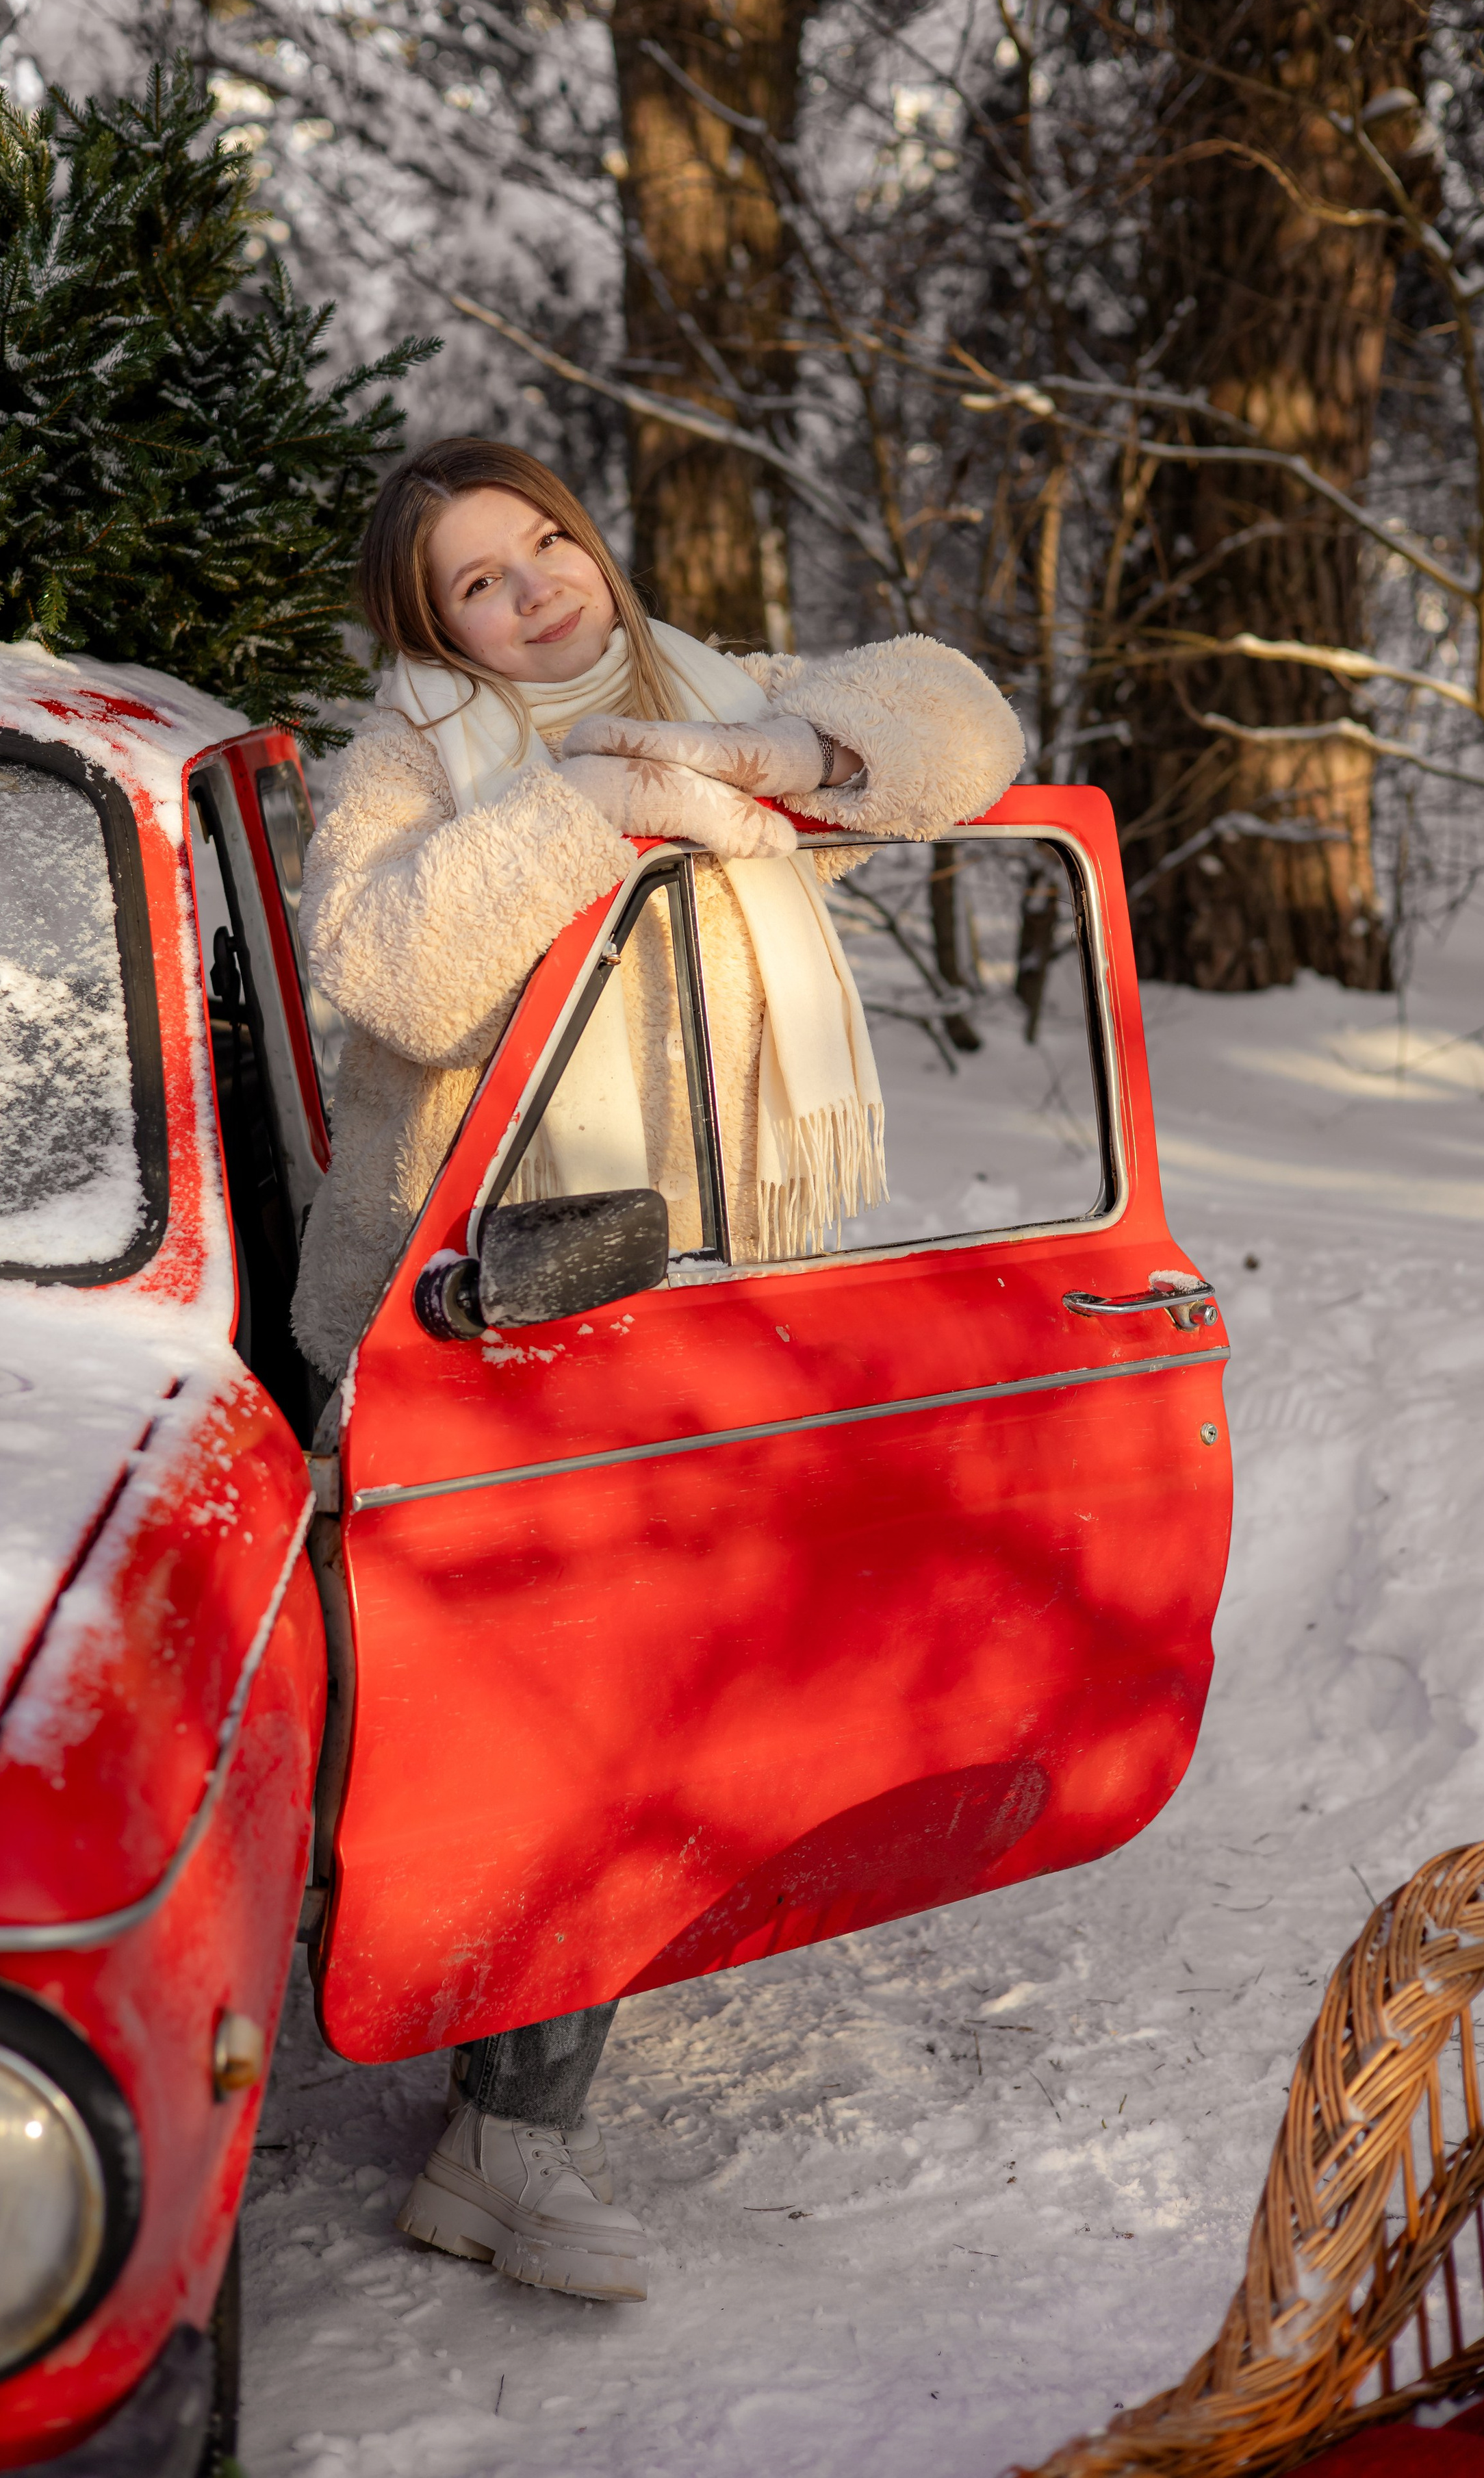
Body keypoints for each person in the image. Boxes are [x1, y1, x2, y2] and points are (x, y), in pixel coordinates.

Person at [291, 437, 1023, 2305]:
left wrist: (755, 759)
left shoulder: (696, 691)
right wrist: (596, 802)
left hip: (693, 1296)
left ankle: (500, 2108)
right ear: (427, 622)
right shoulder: (406, 760)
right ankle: (495, 2144)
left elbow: (962, 723)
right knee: (539, 1730)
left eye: (546, 540)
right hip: (483, 1315)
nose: (536, 586)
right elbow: (389, 969)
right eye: (480, 578)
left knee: (634, 1710)